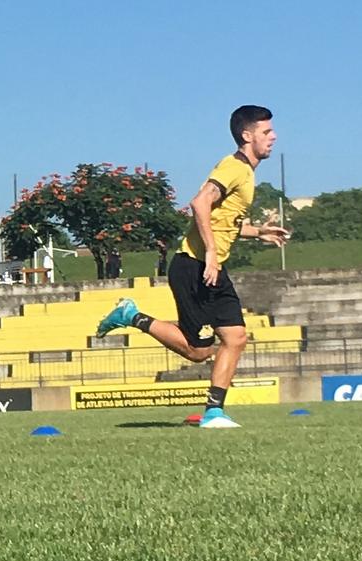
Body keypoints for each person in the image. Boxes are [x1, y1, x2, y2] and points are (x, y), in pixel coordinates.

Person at [97, 104, 290, 429]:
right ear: (247, 135)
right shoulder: (233, 167)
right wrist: (212, 254)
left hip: (213, 266)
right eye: (266, 132)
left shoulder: (246, 172)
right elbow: (199, 203)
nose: (274, 137)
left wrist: (258, 232)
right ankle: (132, 315)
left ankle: (214, 412)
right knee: (199, 351)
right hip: (194, 266)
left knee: (236, 337)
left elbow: (222, 220)